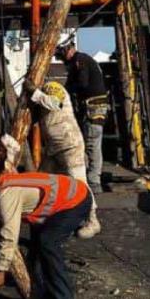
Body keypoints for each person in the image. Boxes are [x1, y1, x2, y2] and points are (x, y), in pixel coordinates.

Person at [0, 163, 92, 299]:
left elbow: (10, 234)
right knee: (36, 249)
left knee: (48, 243)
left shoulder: (7, 193)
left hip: (75, 201)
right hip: (70, 196)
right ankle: (43, 296)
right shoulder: (7, 181)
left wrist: (0, 269)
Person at [23, 79, 101, 238]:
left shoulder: (52, 87)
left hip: (69, 144)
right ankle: (46, 217)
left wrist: (34, 92)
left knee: (79, 182)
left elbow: (54, 103)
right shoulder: (42, 94)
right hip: (53, 148)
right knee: (42, 180)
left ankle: (93, 221)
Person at [55, 41, 108, 194]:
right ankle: (89, 179)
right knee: (89, 143)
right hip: (93, 108)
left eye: (62, 55)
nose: (62, 60)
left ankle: (94, 181)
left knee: (92, 144)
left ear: (68, 50)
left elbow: (81, 84)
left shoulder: (80, 61)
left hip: (93, 108)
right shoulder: (82, 60)